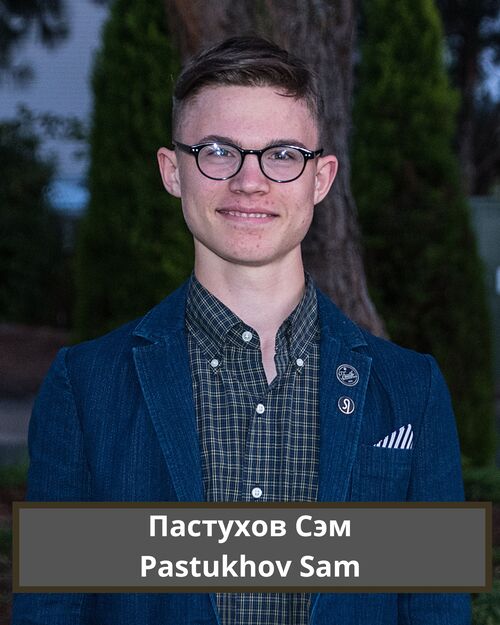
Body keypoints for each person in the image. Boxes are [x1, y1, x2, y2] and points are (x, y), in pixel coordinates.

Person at [13, 36, 470, 624]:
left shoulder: (413, 389)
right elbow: (51, 608)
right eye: (217, 151)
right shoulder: (84, 387)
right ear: (172, 171)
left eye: (282, 154)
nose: (250, 181)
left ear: (321, 178)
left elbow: (438, 610)